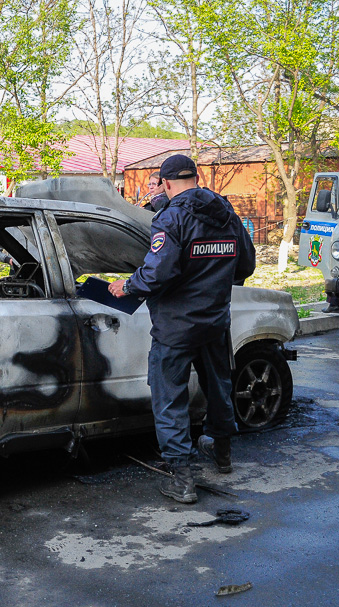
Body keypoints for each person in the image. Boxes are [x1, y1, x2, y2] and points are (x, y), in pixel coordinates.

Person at [108, 154, 256, 504]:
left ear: (167, 184)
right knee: (218, 387)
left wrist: (126, 287)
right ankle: (222, 453)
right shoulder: (226, 213)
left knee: (169, 397)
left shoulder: (171, 219)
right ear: (197, 177)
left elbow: (158, 273)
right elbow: (245, 265)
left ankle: (183, 478)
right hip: (216, 321)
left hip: (176, 327)